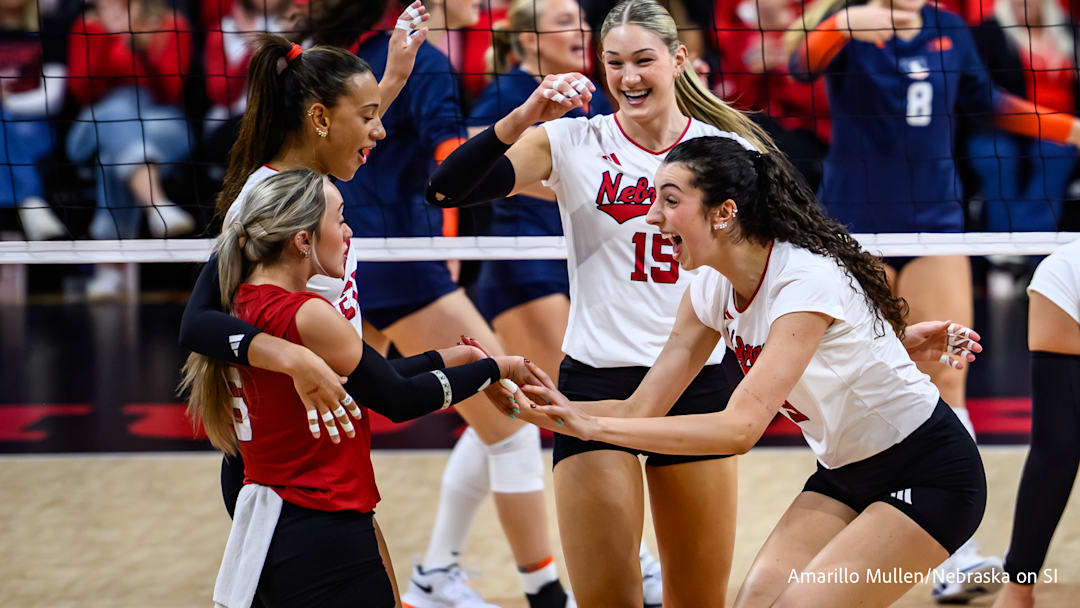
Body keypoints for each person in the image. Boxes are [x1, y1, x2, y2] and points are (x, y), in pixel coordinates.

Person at [516, 135, 987, 608]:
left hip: (929, 474)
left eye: (670, 200)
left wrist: (590, 426)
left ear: (723, 213)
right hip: (842, 476)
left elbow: (739, 429)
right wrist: (547, 409)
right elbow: (643, 409)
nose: (652, 215)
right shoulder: (709, 290)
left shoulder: (803, 280)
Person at [428, 1, 776, 605]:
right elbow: (446, 189)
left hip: (696, 383)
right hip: (594, 382)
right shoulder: (571, 140)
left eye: (644, 60)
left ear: (679, 60)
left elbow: (780, 263)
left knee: (698, 598)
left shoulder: (727, 149)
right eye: (614, 63)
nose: (629, 76)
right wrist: (525, 116)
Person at [785, 1, 1080, 598]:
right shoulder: (846, 24)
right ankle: (861, 535)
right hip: (852, 231)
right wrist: (841, 25)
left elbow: (985, 104)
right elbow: (797, 67)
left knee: (948, 378)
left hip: (935, 226)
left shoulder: (947, 26)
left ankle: (955, 555)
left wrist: (1066, 126)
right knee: (863, 389)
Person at [182, 169, 553, 608]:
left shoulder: (236, 302)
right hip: (322, 525)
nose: (349, 231)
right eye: (340, 218)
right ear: (303, 241)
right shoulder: (309, 314)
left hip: (271, 520)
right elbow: (399, 399)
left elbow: (376, 379)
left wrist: (458, 358)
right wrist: (498, 367)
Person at [327, 2, 575, 606]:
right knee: (509, 413)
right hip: (402, 259)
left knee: (339, 426)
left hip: (341, 255)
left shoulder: (347, 50)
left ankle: (433, 573)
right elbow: (451, 167)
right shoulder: (427, 64)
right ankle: (543, 588)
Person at [67, 0, 197, 297]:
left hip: (161, 122)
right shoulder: (86, 26)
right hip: (93, 124)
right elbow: (83, 91)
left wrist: (140, 46)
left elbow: (170, 91)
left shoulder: (172, 23)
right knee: (117, 111)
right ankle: (156, 203)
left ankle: (108, 270)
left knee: (114, 151)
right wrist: (110, 36)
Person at [991, 238, 1080, 608]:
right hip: (1066, 288)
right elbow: (1053, 453)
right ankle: (1018, 588)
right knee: (1056, 449)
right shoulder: (1064, 271)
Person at [967, 0, 1079, 232]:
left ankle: (1031, 236)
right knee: (996, 155)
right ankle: (1002, 241)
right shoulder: (989, 33)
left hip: (1061, 127)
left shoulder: (1070, 31)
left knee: (1055, 151)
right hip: (1004, 125)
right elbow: (981, 95)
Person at [1, 0, 67, 240]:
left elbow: (54, 97)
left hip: (33, 124)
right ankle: (31, 202)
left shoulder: (48, 27)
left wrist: (8, 102)